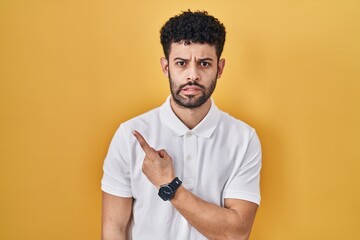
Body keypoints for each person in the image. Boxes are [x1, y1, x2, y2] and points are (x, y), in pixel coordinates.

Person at [101, 10, 262, 240]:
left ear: (220, 68)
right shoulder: (130, 135)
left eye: (204, 63)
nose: (192, 75)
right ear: (166, 67)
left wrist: (169, 185)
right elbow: (113, 230)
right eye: (181, 63)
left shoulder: (243, 139)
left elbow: (235, 234)